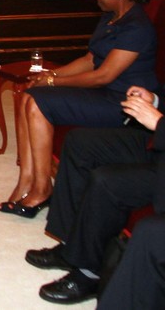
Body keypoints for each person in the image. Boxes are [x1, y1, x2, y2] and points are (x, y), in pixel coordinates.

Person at [0, 0, 157, 218]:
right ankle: (27, 180)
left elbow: (103, 76)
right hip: (104, 93)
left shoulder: (137, 26)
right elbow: (89, 59)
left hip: (125, 104)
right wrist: (51, 74)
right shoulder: (110, 17)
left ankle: (42, 189)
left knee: (40, 101)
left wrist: (52, 83)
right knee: (28, 94)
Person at [25, 86, 165, 305]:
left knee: (107, 181)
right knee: (80, 142)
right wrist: (154, 100)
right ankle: (70, 244)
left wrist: (158, 123)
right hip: (158, 146)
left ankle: (89, 274)